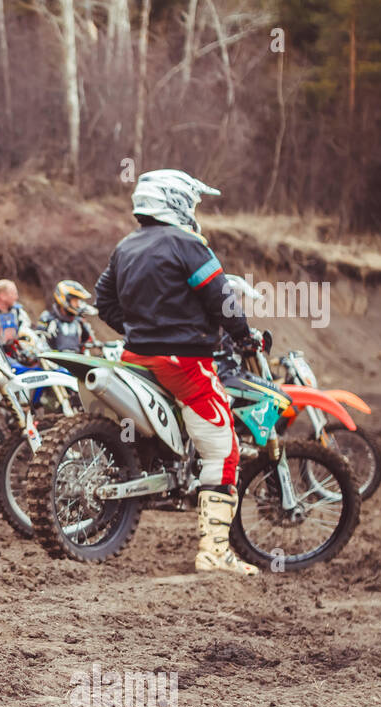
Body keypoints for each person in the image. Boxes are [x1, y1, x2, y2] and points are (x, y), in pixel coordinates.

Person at [93, 169, 263, 577]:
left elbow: (103, 300)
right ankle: (215, 552)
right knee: (224, 449)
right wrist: (244, 338)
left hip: (134, 358)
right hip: (184, 362)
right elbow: (221, 298)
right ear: (177, 201)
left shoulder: (126, 246)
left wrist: (137, 329)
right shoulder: (189, 245)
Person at [39, 279, 98, 353]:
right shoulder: (47, 318)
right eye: (75, 300)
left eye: (78, 301)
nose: (78, 304)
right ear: (64, 298)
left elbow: (89, 342)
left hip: (75, 361)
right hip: (54, 361)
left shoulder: (79, 321)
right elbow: (39, 342)